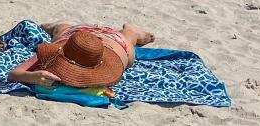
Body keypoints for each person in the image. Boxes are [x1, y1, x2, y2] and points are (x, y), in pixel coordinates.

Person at [8, 22, 154, 88]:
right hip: (75, 34)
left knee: (128, 40)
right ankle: (57, 24)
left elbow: (14, 74)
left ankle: (131, 30)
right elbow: (14, 73)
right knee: (61, 29)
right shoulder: (57, 51)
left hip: (114, 42)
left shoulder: (115, 61)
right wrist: (32, 77)